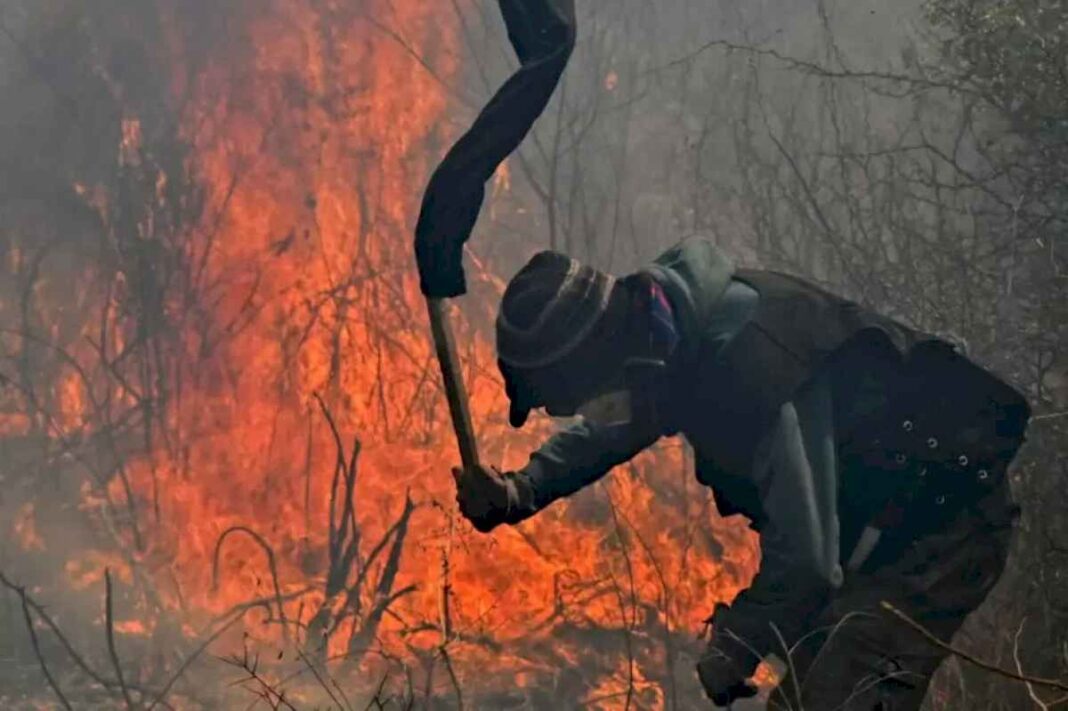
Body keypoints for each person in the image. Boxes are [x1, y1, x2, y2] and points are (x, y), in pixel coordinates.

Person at [451, 237, 1030, 709]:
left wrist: (738, 639)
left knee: (837, 697)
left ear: (601, 358)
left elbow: (806, 565)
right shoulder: (666, 333)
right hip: (872, 530)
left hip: (942, 522)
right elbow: (617, 425)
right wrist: (518, 491)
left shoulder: (750, 365)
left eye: (575, 395)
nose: (577, 413)